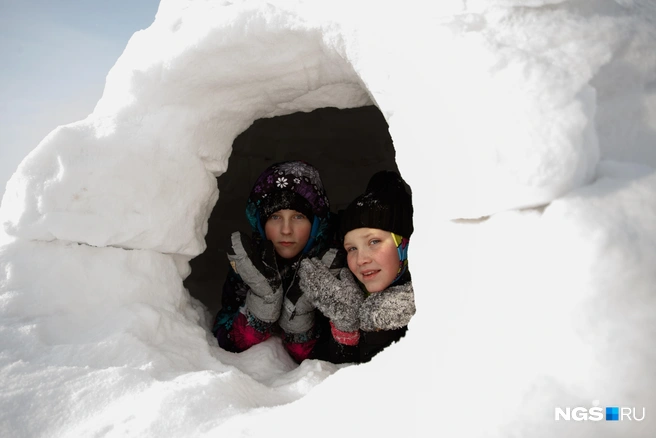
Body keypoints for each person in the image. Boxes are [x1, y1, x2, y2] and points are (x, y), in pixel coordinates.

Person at [211, 160, 335, 363]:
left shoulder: (330, 265)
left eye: (298, 217)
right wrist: (258, 314)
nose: (286, 230)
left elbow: (337, 354)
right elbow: (224, 335)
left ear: (315, 224)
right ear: (261, 222)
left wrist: (301, 327)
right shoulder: (250, 265)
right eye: (276, 217)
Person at [300, 170, 416, 364]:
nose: (361, 259)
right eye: (352, 248)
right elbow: (326, 375)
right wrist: (345, 327)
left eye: (374, 242)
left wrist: (384, 327)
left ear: (403, 243)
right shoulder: (350, 292)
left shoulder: (432, 298)